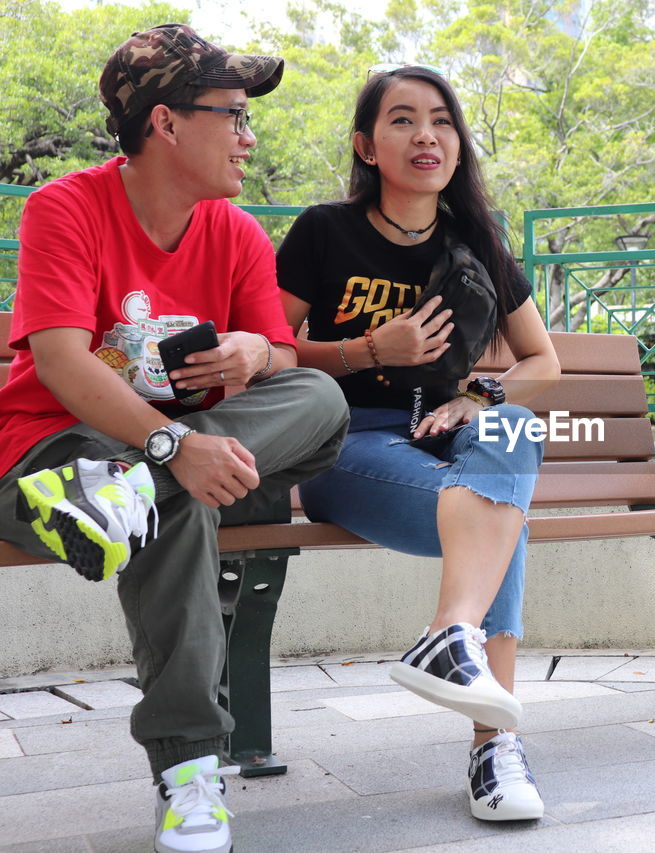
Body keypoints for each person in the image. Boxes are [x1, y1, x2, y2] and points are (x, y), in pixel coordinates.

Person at [0, 25, 350, 853]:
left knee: (319, 396)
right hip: (54, 461)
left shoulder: (233, 231)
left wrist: (256, 351)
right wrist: (168, 449)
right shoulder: (66, 207)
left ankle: (130, 492)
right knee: (181, 504)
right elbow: (57, 360)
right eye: (232, 114)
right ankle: (191, 767)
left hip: (177, 457)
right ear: (165, 122)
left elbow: (288, 361)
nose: (248, 135)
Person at [275, 64, 560, 821]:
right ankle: (493, 745)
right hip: (345, 444)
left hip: (446, 440)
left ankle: (450, 634)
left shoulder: (478, 244)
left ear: (459, 147)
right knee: (502, 513)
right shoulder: (323, 231)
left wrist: (475, 396)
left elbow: (542, 363)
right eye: (402, 120)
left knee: (512, 429)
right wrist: (368, 350)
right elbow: (265, 350)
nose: (425, 135)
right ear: (368, 146)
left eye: (440, 120)